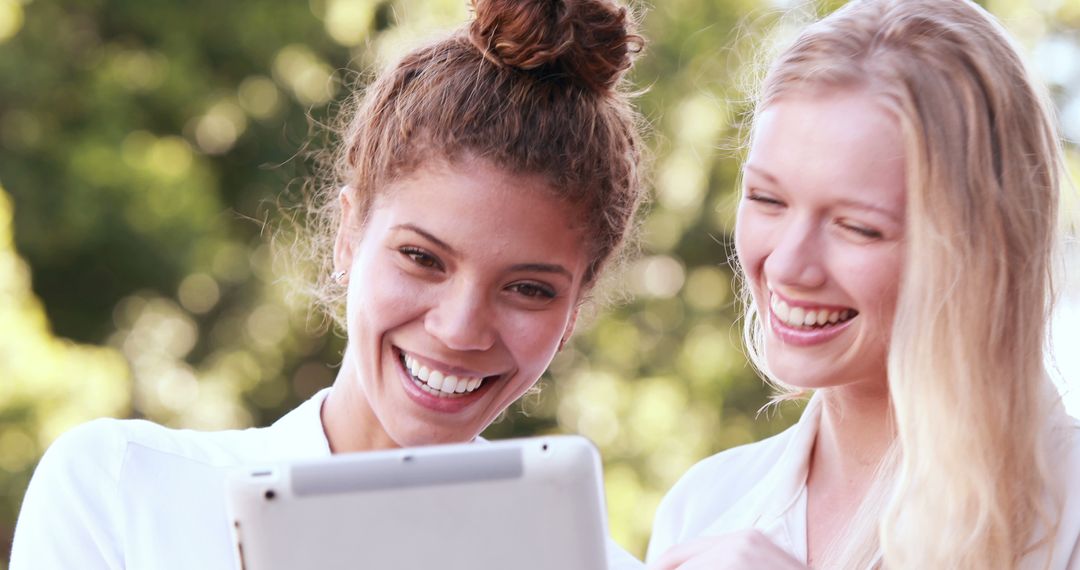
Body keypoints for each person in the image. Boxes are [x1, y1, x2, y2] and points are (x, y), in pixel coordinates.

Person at [10, 0, 648, 568]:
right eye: (422, 258)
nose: (459, 329)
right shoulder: (122, 490)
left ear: (574, 312)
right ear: (349, 236)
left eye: (529, 289)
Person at [646, 0, 1080, 568]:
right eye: (767, 199)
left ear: (980, 249)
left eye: (857, 227)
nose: (787, 266)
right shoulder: (703, 505)